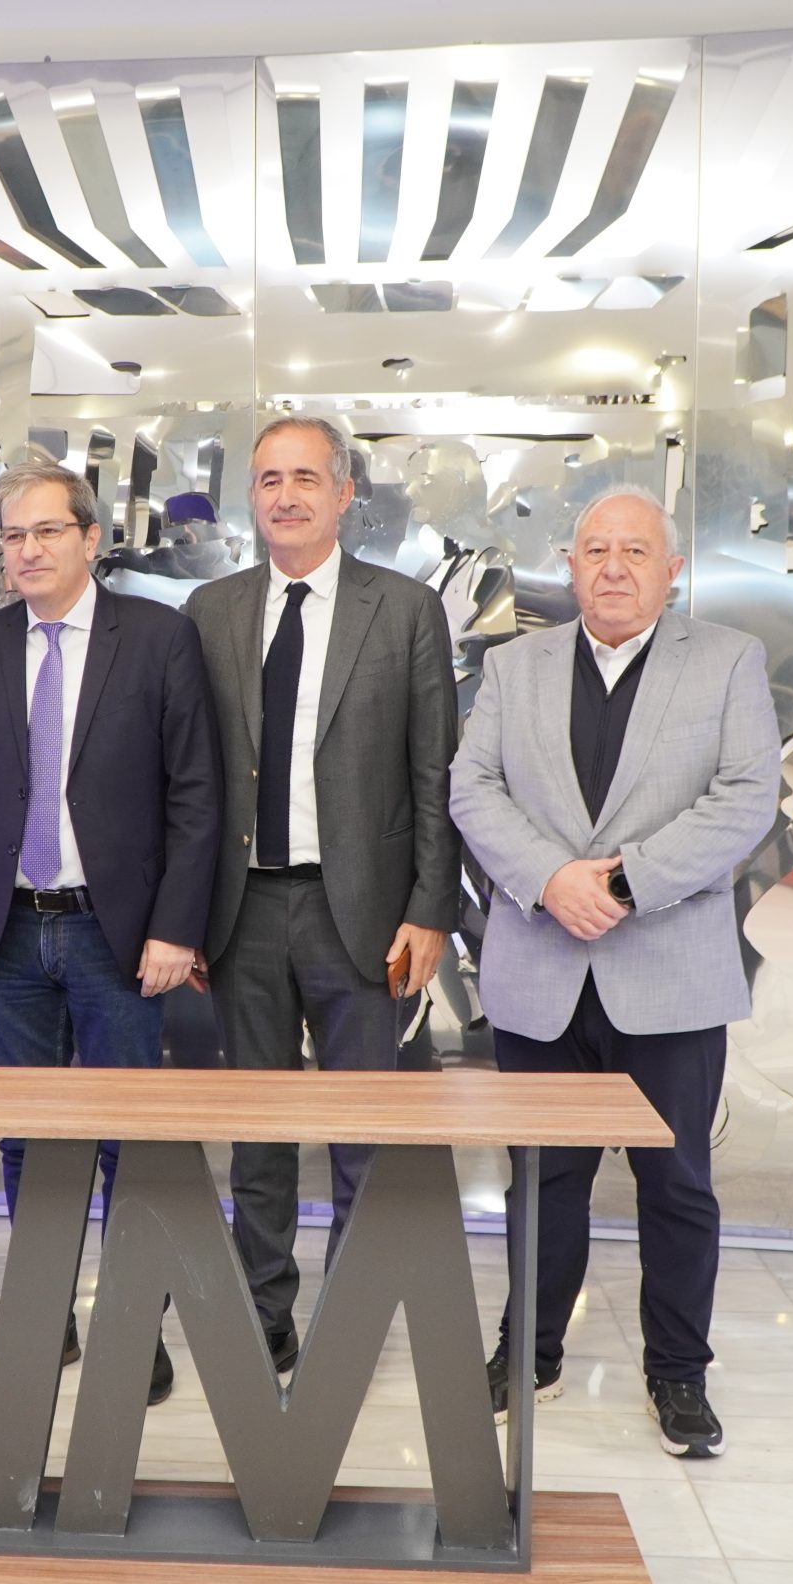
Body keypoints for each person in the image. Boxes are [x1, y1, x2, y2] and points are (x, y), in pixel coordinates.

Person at [448, 489, 779, 1458]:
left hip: (668, 974)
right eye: (595, 549)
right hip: (541, 973)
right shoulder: (513, 667)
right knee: (541, 1182)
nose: (614, 567)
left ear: (671, 570)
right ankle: (528, 1353)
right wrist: (551, 879)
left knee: (675, 1185)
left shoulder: (727, 661)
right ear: (570, 566)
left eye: (635, 551)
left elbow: (745, 798)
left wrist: (625, 883)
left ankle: (677, 1374)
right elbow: (473, 787)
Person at [0, 461, 220, 1405]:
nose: (28, 550)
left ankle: (134, 1329)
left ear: (91, 538)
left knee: (130, 1141)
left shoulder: (159, 638)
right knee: (26, 1139)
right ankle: (44, 1319)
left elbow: (196, 794)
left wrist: (176, 927)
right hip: (8, 934)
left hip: (117, 936)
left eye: (47, 531)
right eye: (13, 535)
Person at [182, 416, 457, 1372]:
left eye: (306, 477)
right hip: (244, 911)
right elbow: (189, 778)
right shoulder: (211, 610)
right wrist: (183, 916)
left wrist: (430, 907)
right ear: (251, 498)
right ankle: (264, 1313)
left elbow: (436, 772)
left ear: (344, 494)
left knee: (363, 1133)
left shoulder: (405, 609)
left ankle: (350, 1318)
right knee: (257, 1136)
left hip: (367, 913)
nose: (286, 495)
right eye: (269, 479)